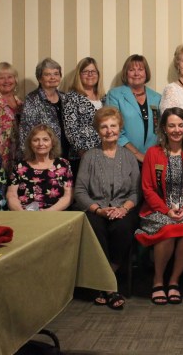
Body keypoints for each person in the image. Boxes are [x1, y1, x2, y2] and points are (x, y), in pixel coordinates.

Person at [135, 108, 183, 305]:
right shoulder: (153, 153)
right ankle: (158, 280)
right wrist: (167, 211)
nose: (176, 130)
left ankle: (174, 280)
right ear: (164, 128)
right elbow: (147, 188)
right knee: (168, 228)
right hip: (157, 210)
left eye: (181, 125)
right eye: (171, 125)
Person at [74, 107, 139, 309]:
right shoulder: (89, 156)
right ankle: (111, 288)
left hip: (123, 209)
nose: (109, 131)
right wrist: (97, 210)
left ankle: (104, 281)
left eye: (113, 126)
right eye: (104, 127)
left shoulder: (129, 157)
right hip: (96, 209)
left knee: (122, 228)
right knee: (95, 228)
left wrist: (123, 209)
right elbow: (80, 191)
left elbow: (136, 192)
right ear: (98, 130)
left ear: (120, 128)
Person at [19, 58, 100, 175]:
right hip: (44, 156)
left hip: (69, 154)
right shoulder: (32, 99)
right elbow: (25, 134)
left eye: (56, 74)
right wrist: (30, 161)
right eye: (47, 74)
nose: (53, 77)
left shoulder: (64, 97)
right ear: (39, 78)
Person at [106, 55, 162, 164]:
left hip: (152, 157)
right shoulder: (115, 95)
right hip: (123, 157)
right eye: (131, 70)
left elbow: (159, 129)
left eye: (140, 69)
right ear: (126, 73)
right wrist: (137, 154)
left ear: (146, 73)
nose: (136, 73)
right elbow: (112, 128)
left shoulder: (157, 97)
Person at [8, 124, 73, 211]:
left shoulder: (63, 164)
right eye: (36, 140)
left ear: (52, 143)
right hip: (25, 213)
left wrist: (48, 212)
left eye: (45, 140)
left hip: (55, 213)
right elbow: (11, 194)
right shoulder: (20, 166)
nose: (41, 144)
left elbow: (69, 195)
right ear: (30, 144)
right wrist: (22, 213)